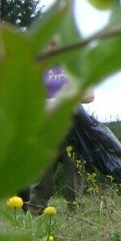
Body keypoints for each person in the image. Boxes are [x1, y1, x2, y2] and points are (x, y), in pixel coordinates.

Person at [27, 59, 94, 212]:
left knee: (74, 177)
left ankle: (75, 212)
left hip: (74, 130)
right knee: (41, 175)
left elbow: (90, 95)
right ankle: (35, 212)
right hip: (46, 128)